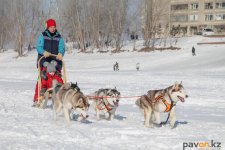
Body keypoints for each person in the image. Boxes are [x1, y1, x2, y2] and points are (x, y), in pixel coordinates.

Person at [32, 19, 66, 107]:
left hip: (56, 62)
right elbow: (39, 47)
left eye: (54, 27)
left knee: (58, 79)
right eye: (51, 27)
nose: (53, 29)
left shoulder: (59, 37)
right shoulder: (43, 36)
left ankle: (60, 97)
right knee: (42, 80)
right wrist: (43, 52)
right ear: (47, 27)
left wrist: (60, 53)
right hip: (44, 62)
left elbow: (62, 47)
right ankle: (38, 98)